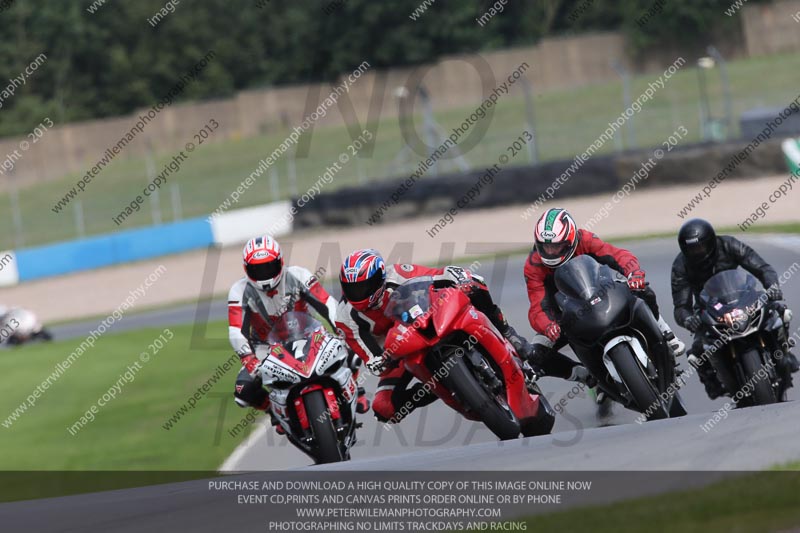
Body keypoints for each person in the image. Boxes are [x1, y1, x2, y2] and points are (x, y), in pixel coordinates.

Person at [335, 248, 591, 424]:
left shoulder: (397, 273)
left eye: (364, 286)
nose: (359, 293)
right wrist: (379, 360)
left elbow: (433, 276)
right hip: (397, 353)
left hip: (423, 322)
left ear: (380, 276)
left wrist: (458, 276)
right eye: (352, 287)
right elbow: (367, 352)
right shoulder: (344, 317)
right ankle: (448, 388)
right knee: (384, 408)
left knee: (475, 287)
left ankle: (507, 334)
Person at [228, 236, 369, 434]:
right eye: (257, 269)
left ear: (280, 262)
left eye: (268, 266)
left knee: (352, 349)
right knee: (244, 391)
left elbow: (326, 303)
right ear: (246, 269)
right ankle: (274, 411)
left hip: (308, 334)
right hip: (265, 348)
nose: (263, 274)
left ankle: (356, 389)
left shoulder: (298, 275)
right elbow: (235, 330)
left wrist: (342, 329)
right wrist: (248, 359)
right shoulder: (239, 290)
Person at [524, 208, 685, 381]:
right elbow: (537, 307)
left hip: (600, 292)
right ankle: (584, 377)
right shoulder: (533, 266)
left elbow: (617, 255)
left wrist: (634, 273)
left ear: (570, 240)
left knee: (643, 290)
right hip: (564, 313)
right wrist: (547, 326)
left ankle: (665, 333)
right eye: (546, 247)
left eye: (556, 246)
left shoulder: (584, 239)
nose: (551, 252)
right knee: (534, 355)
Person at [671, 218, 798, 399]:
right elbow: (681, 306)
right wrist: (688, 319)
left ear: (711, 241)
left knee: (779, 312)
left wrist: (773, 287)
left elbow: (763, 268)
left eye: (700, 247)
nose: (697, 252)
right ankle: (713, 382)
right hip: (709, 309)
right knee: (698, 349)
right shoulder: (680, 265)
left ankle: (785, 354)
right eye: (691, 249)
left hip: (742, 297)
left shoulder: (729, 245)